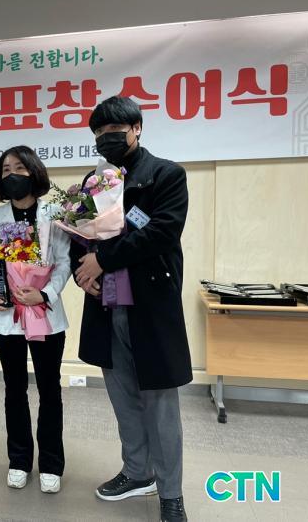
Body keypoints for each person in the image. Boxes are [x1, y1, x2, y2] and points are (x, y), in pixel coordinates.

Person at [72, 96, 191, 522]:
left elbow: (162, 232)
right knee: (122, 396)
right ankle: (138, 471)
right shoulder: (94, 181)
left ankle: (171, 492)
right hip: (107, 303)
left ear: (137, 128)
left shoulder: (166, 175)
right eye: (99, 133)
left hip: (150, 304)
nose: (106, 138)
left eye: (114, 130)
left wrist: (103, 259)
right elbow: (80, 236)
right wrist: (84, 272)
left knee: (159, 402)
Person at [0, 146, 71, 494]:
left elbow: (63, 262)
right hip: (8, 317)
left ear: (34, 171)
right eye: (5, 170)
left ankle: (51, 463)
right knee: (14, 389)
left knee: (49, 389)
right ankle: (18, 460)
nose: (12, 175)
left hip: (45, 315)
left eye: (19, 167)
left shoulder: (54, 213)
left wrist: (44, 294)